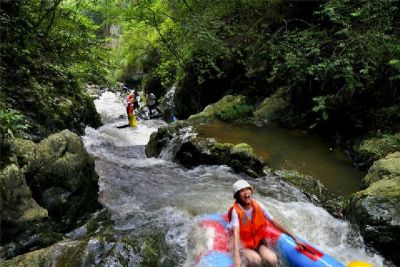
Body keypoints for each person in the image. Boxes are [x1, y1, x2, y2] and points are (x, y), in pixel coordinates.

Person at [229, 180, 305, 267]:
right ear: (237, 195)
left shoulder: (259, 206)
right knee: (255, 260)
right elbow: (236, 234)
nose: (246, 193)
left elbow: (274, 222)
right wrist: (236, 258)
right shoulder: (235, 211)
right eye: (242, 191)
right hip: (243, 246)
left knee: (272, 259)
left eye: (247, 189)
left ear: (251, 191)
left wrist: (294, 238)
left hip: (258, 243)